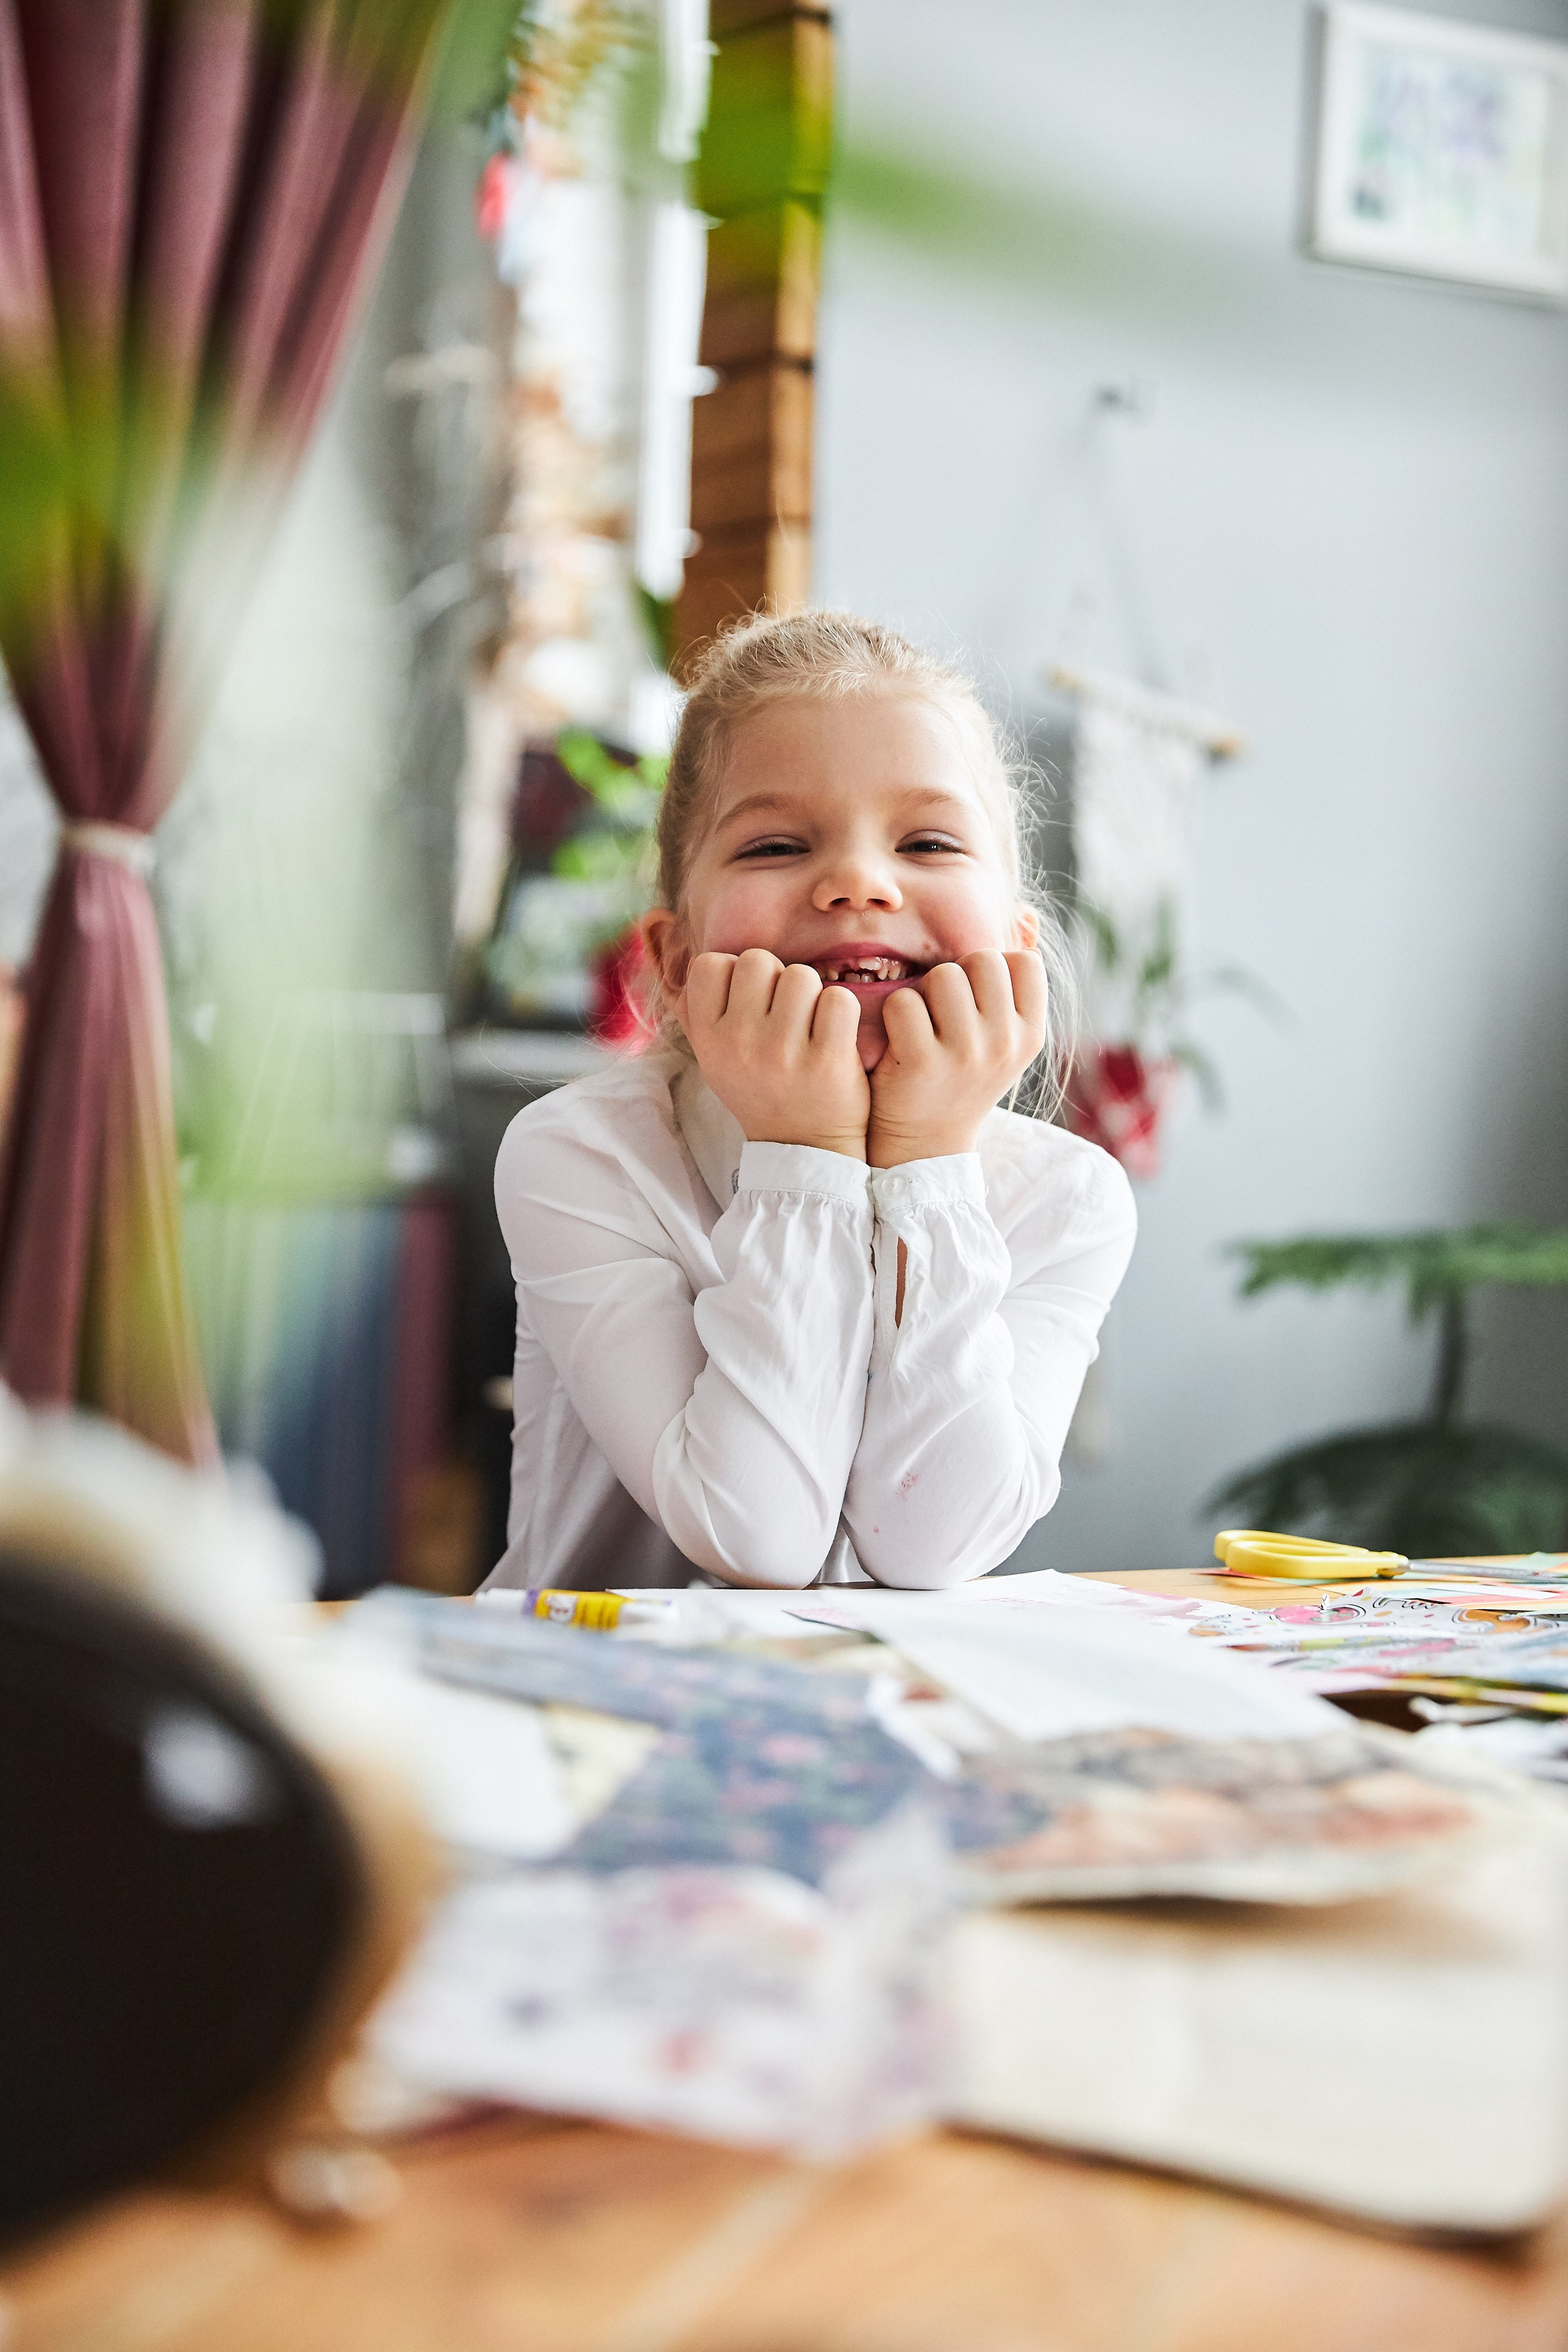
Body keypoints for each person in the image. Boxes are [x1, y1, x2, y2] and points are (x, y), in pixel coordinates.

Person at [485, 612, 1136, 1592]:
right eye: (777, 845)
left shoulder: (1069, 1198)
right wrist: (807, 1154)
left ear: (1015, 946)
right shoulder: (582, 1157)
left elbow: (934, 1547)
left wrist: (925, 1165)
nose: (859, 884)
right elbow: (758, 1540)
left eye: (926, 840)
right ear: (674, 958)